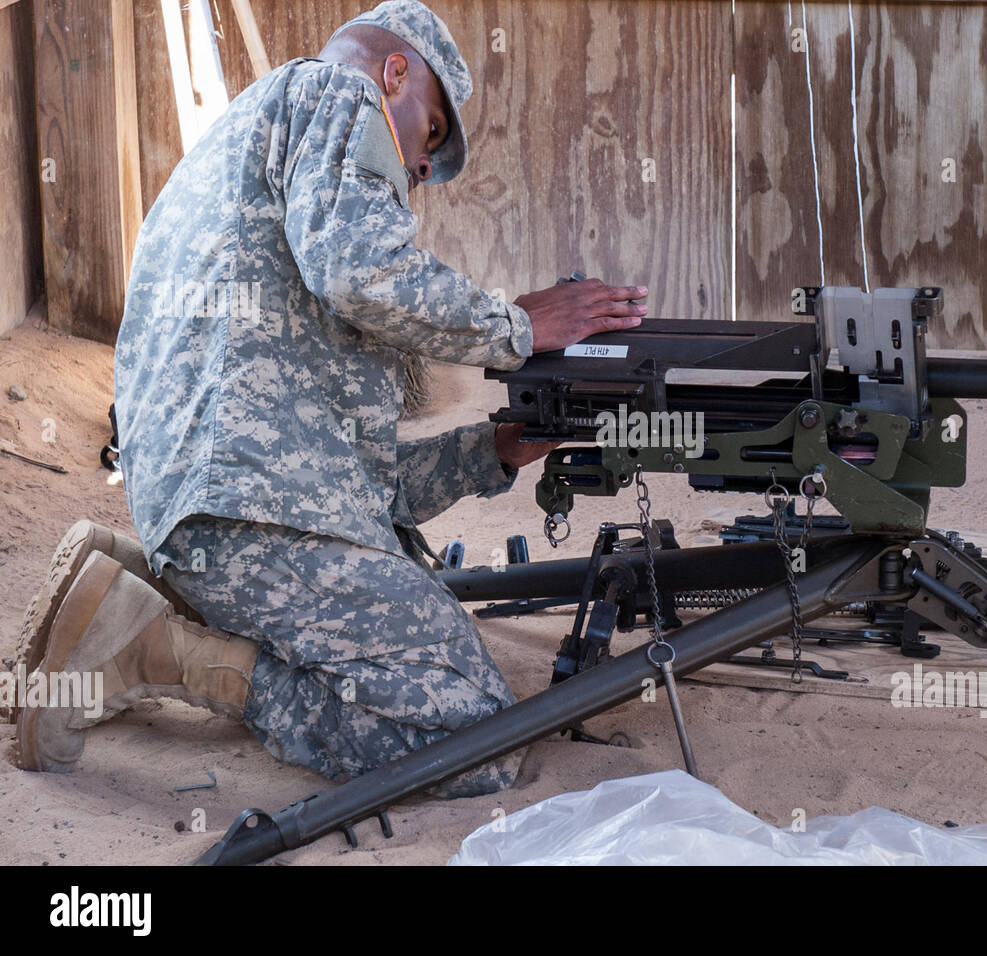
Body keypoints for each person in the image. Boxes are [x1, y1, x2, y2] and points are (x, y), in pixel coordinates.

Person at [14, 0, 646, 795]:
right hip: (254, 518)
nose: (422, 172)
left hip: (225, 510)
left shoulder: (244, 155)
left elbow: (351, 488)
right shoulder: (339, 95)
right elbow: (359, 271)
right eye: (431, 138)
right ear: (393, 73)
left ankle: (137, 584)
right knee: (474, 734)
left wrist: (494, 449)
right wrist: (516, 326)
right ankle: (161, 651)